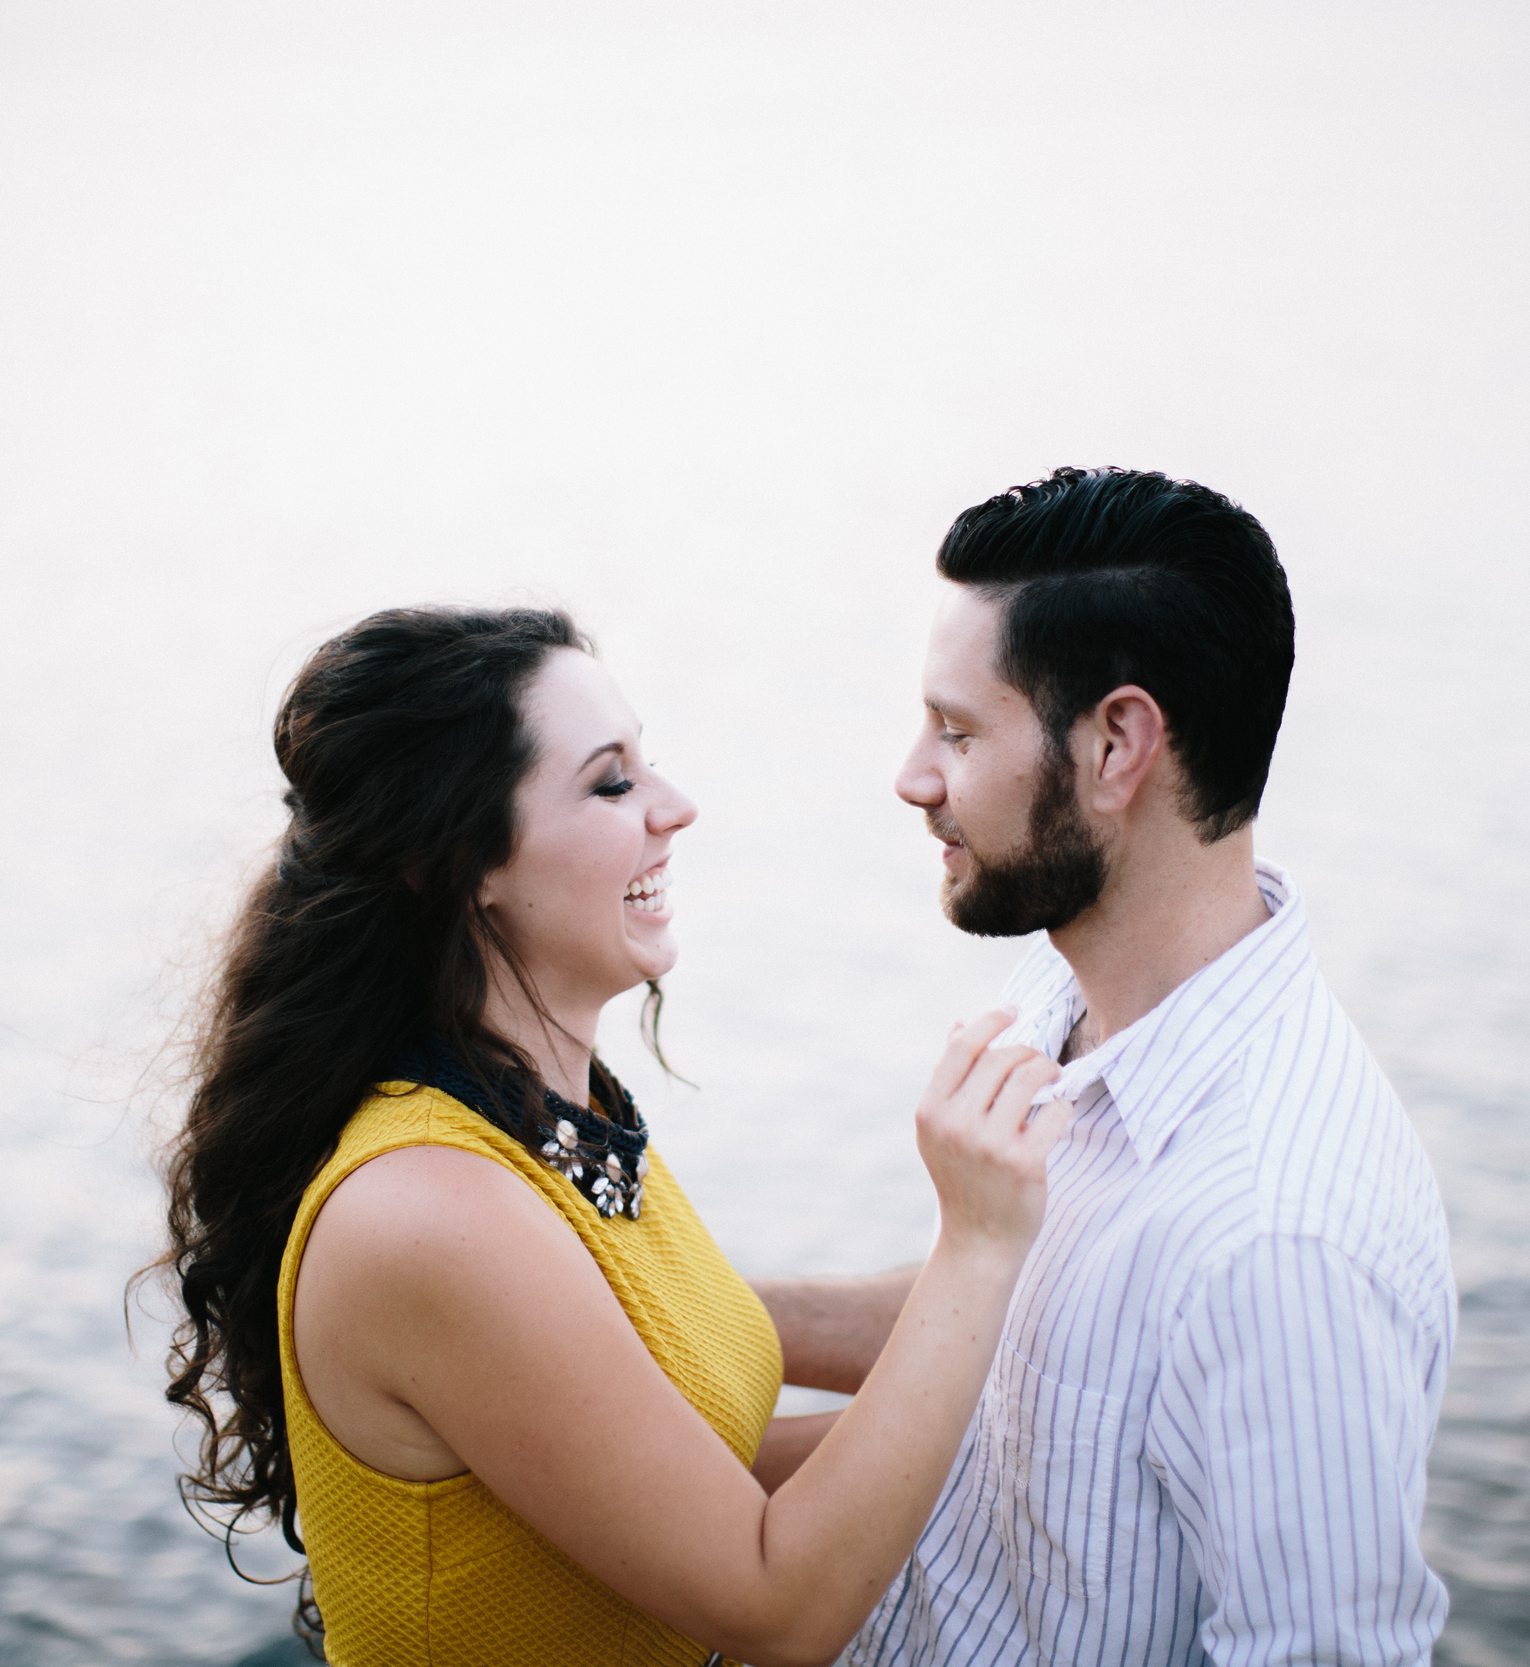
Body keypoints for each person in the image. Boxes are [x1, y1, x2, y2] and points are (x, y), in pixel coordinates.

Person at [151, 605, 1077, 1667]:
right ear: (462, 864)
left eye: (651, 765)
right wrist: (976, 1241)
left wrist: (1045, 1368)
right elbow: (778, 1607)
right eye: (611, 781)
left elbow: (695, 1466)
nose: (674, 809)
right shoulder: (426, 1208)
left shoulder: (553, 1114)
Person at [787, 468, 1457, 1664]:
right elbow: (1004, 1324)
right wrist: (658, 1326)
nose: (913, 775)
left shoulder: (1277, 1246)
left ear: (1115, 746)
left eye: (956, 729)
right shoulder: (1068, 988)